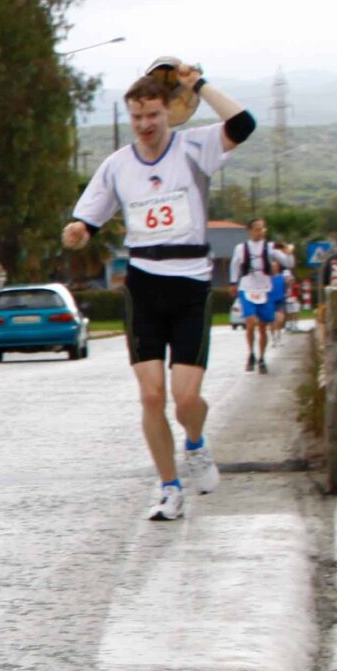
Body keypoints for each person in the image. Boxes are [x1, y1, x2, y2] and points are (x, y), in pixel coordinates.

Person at [64, 63, 256, 520]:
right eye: (137, 118)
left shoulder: (195, 148)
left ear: (169, 112)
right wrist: (77, 231)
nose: (146, 126)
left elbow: (244, 125)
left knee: (186, 399)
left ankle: (196, 442)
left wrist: (199, 85)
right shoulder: (117, 166)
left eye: (152, 115)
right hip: (144, 284)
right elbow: (88, 218)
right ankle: (169, 488)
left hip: (190, 283)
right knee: (151, 396)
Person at [230, 216, 290, 372]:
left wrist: (288, 253)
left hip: (264, 289)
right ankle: (251, 353)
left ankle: (262, 358)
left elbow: (287, 262)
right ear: (250, 230)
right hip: (247, 287)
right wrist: (233, 283)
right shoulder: (240, 248)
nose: (260, 232)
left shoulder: (270, 247)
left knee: (263, 326)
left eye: (262, 229)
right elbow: (234, 266)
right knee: (250, 322)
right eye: (257, 229)